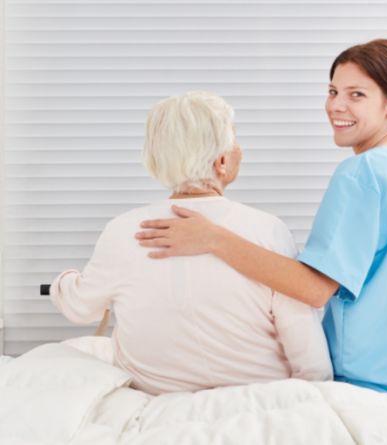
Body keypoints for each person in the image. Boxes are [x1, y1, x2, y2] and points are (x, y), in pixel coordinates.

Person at [135, 39, 387, 400]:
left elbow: (313, 290)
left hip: (382, 384)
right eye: (333, 91)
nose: (336, 106)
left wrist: (212, 238)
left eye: (356, 95)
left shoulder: (363, 173)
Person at [50, 91, 333, 395]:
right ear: (221, 162)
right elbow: (308, 351)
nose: (241, 150)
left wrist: (64, 282)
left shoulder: (123, 231)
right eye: (235, 140)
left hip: (156, 400)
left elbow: (81, 308)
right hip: (255, 395)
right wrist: (315, 394)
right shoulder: (269, 230)